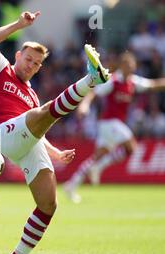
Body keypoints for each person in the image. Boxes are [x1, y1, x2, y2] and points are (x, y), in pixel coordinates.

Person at [0, 11, 109, 254]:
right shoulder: (0, 69)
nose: (31, 65)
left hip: (28, 139)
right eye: (28, 59)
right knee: (45, 112)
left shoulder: (31, 95)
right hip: (5, 135)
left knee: (48, 204)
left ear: (40, 67)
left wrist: (55, 152)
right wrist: (19, 24)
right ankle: (90, 80)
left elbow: (38, 128)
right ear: (18, 56)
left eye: (37, 63)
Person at [64, 51, 165, 203]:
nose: (131, 68)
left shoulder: (133, 81)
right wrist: (84, 105)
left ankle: (71, 185)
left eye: (133, 65)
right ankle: (99, 168)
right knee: (131, 147)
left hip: (112, 125)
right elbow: (94, 92)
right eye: (128, 65)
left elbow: (152, 85)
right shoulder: (113, 80)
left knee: (97, 156)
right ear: (122, 65)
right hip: (109, 122)